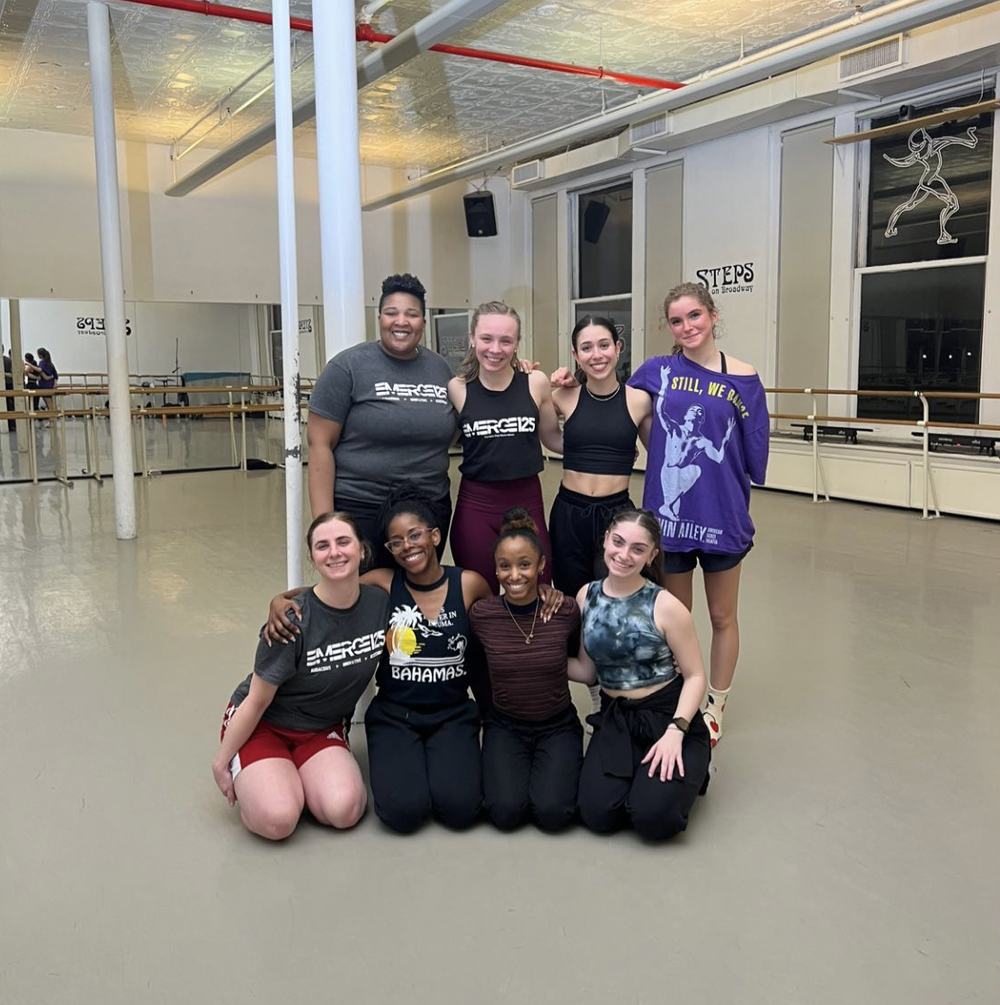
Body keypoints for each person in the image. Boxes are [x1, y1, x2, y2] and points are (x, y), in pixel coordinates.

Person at [264, 488, 566, 834]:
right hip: (396, 715)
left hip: (453, 713)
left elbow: (508, 612)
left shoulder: (469, 584)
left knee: (461, 812)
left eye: (415, 535)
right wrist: (280, 600)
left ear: (435, 535)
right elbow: (325, 594)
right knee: (402, 814)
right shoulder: (381, 582)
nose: (407, 546)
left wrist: (545, 588)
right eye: (396, 542)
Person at [628, 283, 769, 746]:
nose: (686, 327)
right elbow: (612, 406)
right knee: (677, 614)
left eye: (694, 316)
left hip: (722, 514)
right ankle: (676, 694)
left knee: (723, 615)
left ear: (712, 315)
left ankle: (715, 705)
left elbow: (747, 453)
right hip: (669, 523)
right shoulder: (657, 371)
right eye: (676, 320)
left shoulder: (743, 377)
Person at [212, 512, 390, 840]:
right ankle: (268, 775)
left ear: (362, 550)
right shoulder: (291, 619)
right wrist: (221, 763)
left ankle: (295, 776)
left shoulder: (380, 602)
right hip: (263, 724)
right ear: (313, 557)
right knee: (277, 820)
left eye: (343, 542)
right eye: (323, 546)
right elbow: (256, 700)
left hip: (320, 727)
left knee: (346, 810)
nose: (334, 552)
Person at [570, 509, 711, 840]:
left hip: (668, 716)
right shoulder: (585, 597)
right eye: (617, 542)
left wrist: (677, 731)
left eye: (637, 548)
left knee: (652, 818)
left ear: (652, 556)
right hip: (617, 718)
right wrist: (527, 656)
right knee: (597, 815)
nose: (623, 555)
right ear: (605, 539)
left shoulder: (666, 606)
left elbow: (694, 677)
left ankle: (698, 765)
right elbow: (586, 669)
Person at [307, 273, 457, 567]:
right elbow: (319, 445)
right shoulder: (347, 367)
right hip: (362, 507)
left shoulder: (440, 369)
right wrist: (325, 524)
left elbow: (454, 428)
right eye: (392, 313)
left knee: (413, 602)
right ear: (379, 318)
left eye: (411, 314)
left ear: (423, 323)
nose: (401, 321)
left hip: (428, 508)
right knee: (365, 600)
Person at [549, 316, 652, 715]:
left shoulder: (639, 399)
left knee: (611, 604)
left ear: (618, 349)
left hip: (615, 515)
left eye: (604, 344)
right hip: (569, 512)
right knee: (575, 603)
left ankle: (620, 691)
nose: (597, 355)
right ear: (575, 355)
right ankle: (594, 692)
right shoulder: (563, 397)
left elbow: (664, 451)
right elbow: (549, 436)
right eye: (587, 347)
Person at [469, 509, 582, 832]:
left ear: (541, 566)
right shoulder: (482, 616)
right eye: (504, 566)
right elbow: (474, 665)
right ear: (495, 569)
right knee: (504, 813)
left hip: (557, 724)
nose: (514, 575)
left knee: (553, 814)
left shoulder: (565, 610)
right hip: (505, 724)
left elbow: (577, 655)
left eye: (524, 565)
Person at [448, 302, 563, 594]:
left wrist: (610, 445)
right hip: (476, 507)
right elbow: (439, 440)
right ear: (472, 337)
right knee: (478, 598)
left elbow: (554, 439)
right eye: (487, 338)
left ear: (517, 344)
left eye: (506, 341)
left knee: (539, 591)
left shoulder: (535, 383)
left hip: (528, 502)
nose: (495, 349)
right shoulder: (457, 388)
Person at [35, 347, 58, 415]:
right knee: (51, 404)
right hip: (51, 385)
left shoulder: (42, 363)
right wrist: (54, 382)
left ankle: (52, 420)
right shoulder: (50, 363)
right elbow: (55, 375)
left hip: (44, 385)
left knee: (49, 404)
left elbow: (41, 372)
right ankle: (52, 420)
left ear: (40, 355)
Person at [2, 346, 14, 432]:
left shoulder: (8, 361)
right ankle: (11, 425)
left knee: (9, 405)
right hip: (8, 384)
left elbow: (12, 374)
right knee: (10, 405)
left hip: (8, 384)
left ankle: (11, 425)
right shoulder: (8, 360)